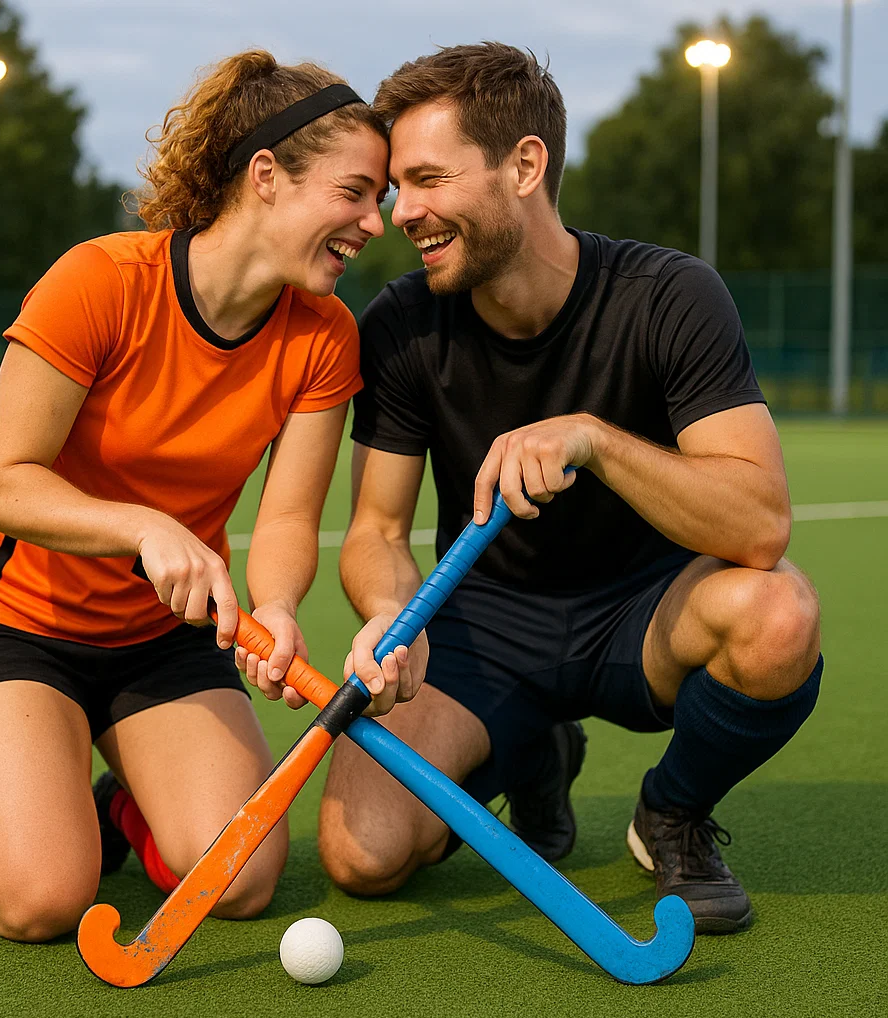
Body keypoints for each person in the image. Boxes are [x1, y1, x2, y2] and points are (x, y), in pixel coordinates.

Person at [279, 42, 821, 935]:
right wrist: (390, 616)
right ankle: (532, 745)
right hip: (484, 628)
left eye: (426, 180)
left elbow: (759, 521)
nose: (401, 213)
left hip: (648, 614)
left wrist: (595, 440)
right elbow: (376, 529)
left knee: (779, 614)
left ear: (524, 165)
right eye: (393, 191)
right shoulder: (403, 324)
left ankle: (672, 813)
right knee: (362, 856)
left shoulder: (672, 295)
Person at [0, 50, 389, 942]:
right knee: (40, 900)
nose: (374, 222)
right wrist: (145, 527)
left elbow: (288, 517)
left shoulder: (325, 334)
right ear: (266, 176)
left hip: (162, 640)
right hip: (12, 625)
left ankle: (121, 803)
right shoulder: (103, 281)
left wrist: (274, 606)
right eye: (355, 192)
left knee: (242, 879)